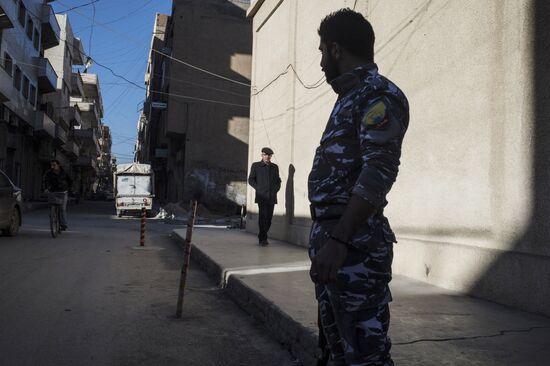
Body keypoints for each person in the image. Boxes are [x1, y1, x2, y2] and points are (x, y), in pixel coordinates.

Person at [308, 9, 409, 366]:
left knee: (366, 358)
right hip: (335, 247)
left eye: (321, 51)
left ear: (336, 50)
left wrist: (338, 240)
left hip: (355, 251)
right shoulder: (348, 98)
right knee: (338, 353)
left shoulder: (377, 95)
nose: (319, 61)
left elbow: (378, 171)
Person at [248, 147, 281, 246]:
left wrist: (275, 190)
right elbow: (251, 179)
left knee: (269, 219)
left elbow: (278, 181)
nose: (267, 157)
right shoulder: (256, 166)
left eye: (269, 155)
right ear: (262, 155)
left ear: (271, 156)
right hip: (261, 196)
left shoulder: (275, 167)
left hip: (271, 196)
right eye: (265, 155)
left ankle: (262, 235)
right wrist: (259, 188)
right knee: (263, 217)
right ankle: (263, 239)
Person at [43, 159, 72, 231]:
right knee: (52, 206)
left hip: (63, 192)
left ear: (58, 165)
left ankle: (63, 224)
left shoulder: (64, 172)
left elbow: (70, 181)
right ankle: (53, 218)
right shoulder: (49, 173)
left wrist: (68, 188)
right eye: (51, 165)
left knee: (62, 208)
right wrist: (46, 188)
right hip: (53, 192)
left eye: (54, 165)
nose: (52, 167)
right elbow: (46, 181)